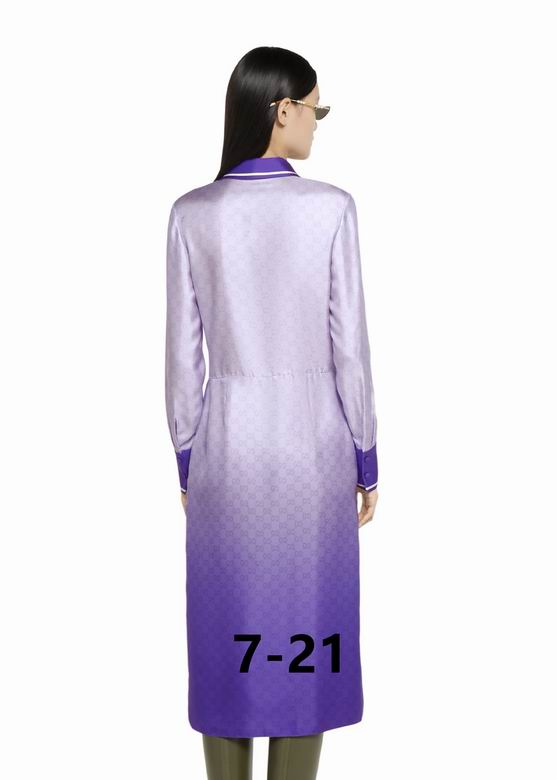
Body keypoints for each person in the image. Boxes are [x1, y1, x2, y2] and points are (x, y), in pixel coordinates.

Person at [165, 45, 379, 780]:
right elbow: (349, 350)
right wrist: (366, 457)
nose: (316, 123)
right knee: (304, 640)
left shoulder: (192, 214)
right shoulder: (330, 209)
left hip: (225, 451)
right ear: (282, 109)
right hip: (313, 450)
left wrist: (188, 458)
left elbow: (181, 359)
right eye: (315, 109)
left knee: (227, 637)